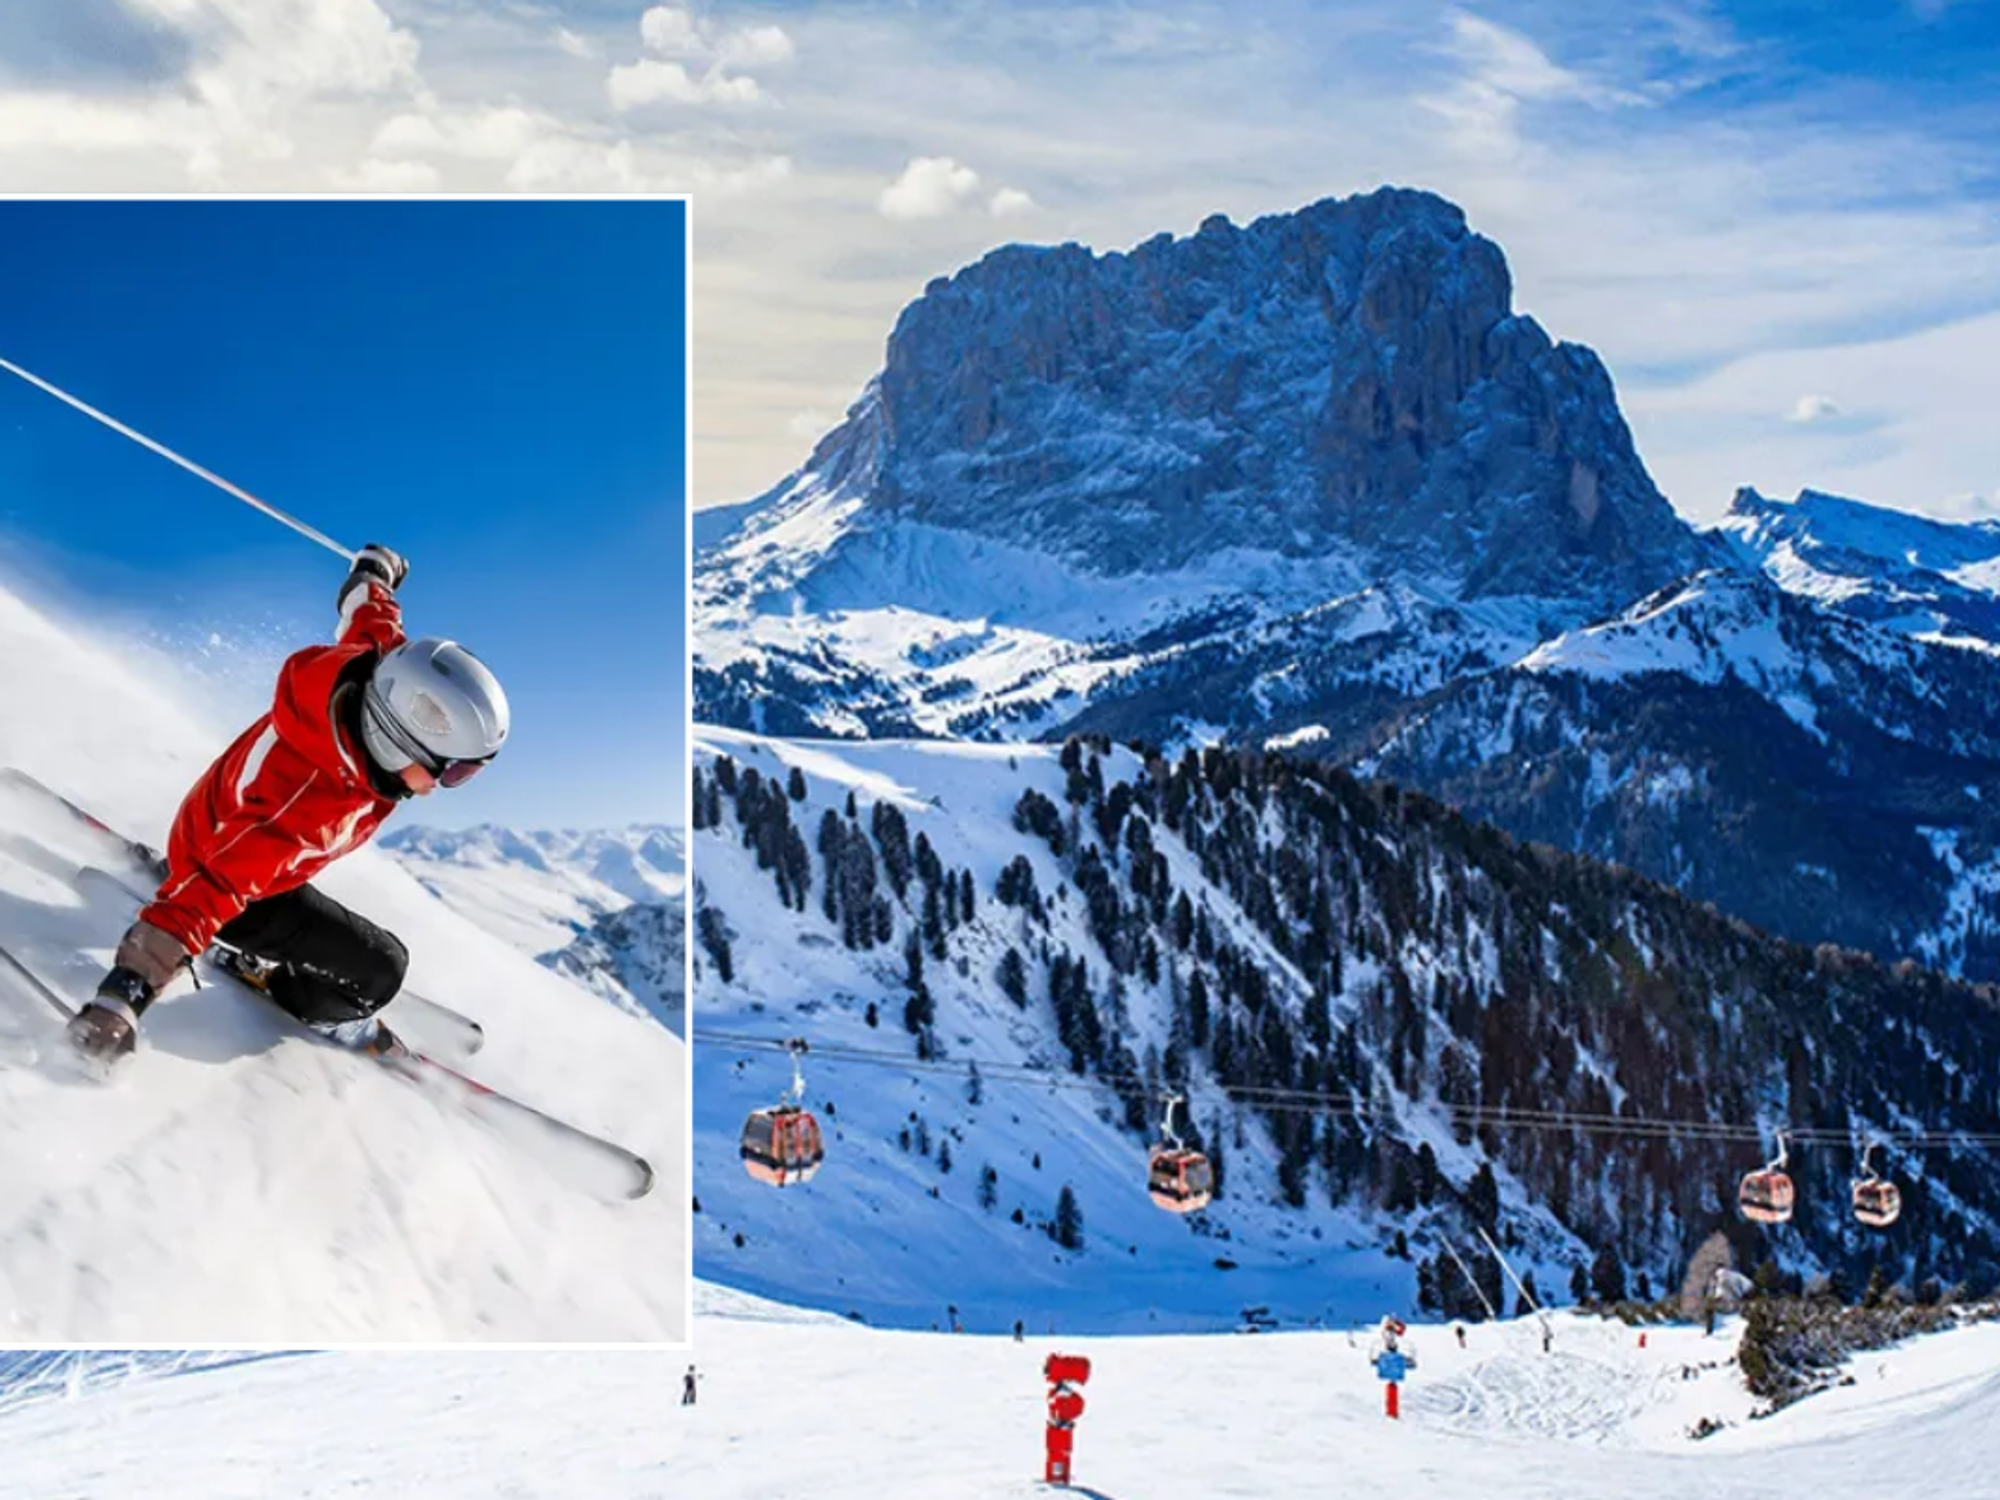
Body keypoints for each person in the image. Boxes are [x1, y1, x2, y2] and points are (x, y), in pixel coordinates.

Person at [64, 545, 509, 1066]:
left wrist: (375, 571)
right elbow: (214, 890)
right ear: (396, 740)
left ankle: (188, 881)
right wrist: (122, 999)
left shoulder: (369, 670)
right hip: (232, 886)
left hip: (215, 835)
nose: (447, 784)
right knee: (384, 968)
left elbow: (369, 612)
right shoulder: (305, 802)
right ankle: (291, 992)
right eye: (453, 770)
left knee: (276, 887)